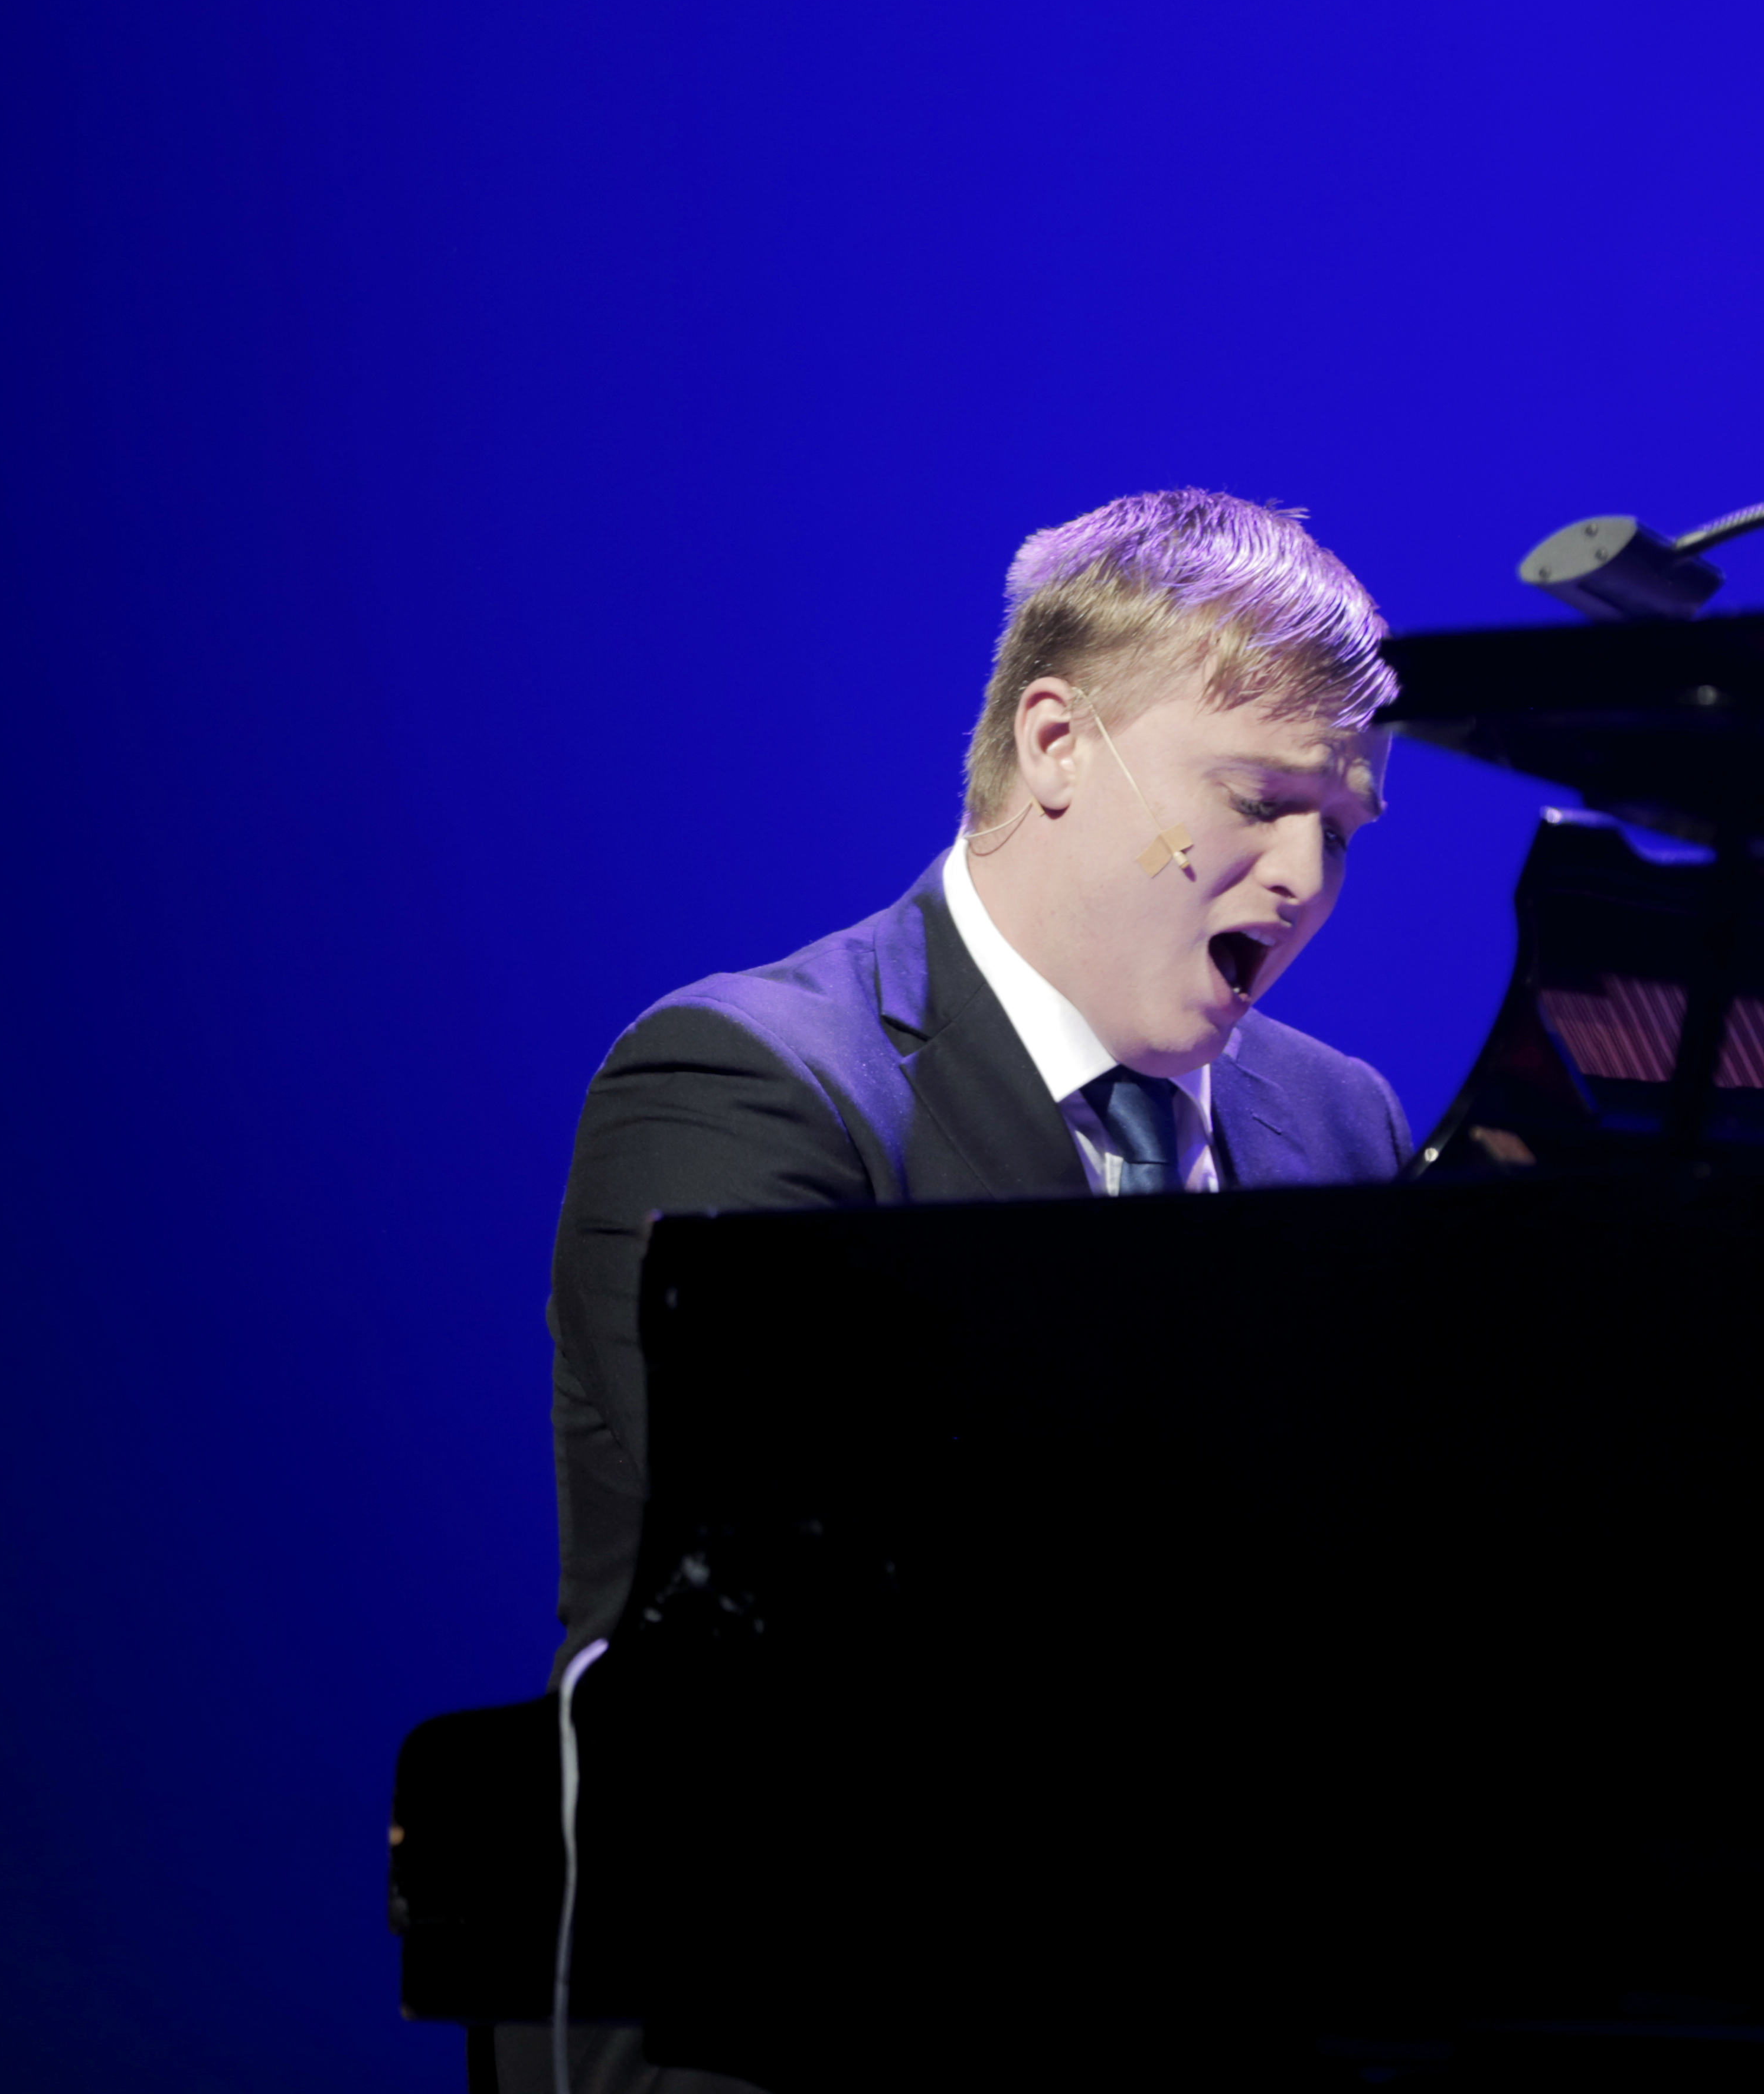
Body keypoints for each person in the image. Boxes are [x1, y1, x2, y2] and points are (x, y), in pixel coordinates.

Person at [495, 489, 1411, 2094]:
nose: (1302, 875)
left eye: (1341, 829)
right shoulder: (747, 1083)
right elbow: (841, 1636)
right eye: (1262, 799)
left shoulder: (1344, 1123)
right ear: (1057, 747)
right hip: (808, 2021)